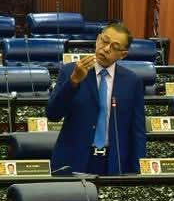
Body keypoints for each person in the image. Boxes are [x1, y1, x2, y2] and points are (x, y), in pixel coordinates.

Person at [46, 22, 146, 175]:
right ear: (98, 39)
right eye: (104, 41)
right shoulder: (71, 71)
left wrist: (138, 172)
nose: (106, 49)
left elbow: (137, 131)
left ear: (123, 54)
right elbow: (53, 114)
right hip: (73, 161)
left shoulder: (132, 81)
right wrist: (73, 82)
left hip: (114, 163)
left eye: (114, 47)